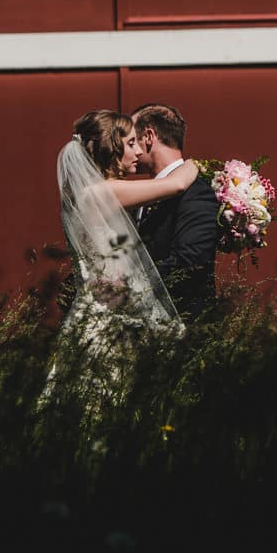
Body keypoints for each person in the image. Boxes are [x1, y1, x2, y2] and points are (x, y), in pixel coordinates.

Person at [45, 110, 196, 405]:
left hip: (110, 312)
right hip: (105, 321)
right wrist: (197, 166)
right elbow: (175, 185)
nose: (138, 150)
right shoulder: (99, 192)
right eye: (130, 143)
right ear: (111, 148)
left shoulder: (92, 191)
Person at [131, 103, 219, 326]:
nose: (128, 149)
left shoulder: (196, 192)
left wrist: (128, 289)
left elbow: (190, 261)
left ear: (149, 136)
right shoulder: (139, 194)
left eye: (132, 141)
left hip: (183, 327)